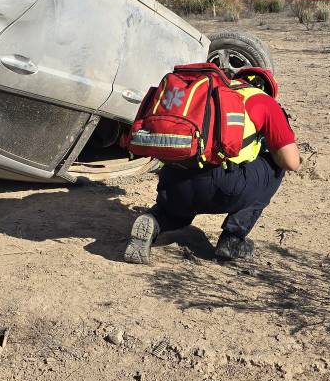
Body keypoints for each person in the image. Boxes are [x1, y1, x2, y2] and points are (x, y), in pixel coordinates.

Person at [123, 67, 300, 264]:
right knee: (277, 168)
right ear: (267, 88)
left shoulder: (212, 93)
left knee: (178, 212)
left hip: (173, 182)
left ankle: (154, 221)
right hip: (222, 188)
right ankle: (233, 239)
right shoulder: (263, 100)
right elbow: (291, 162)